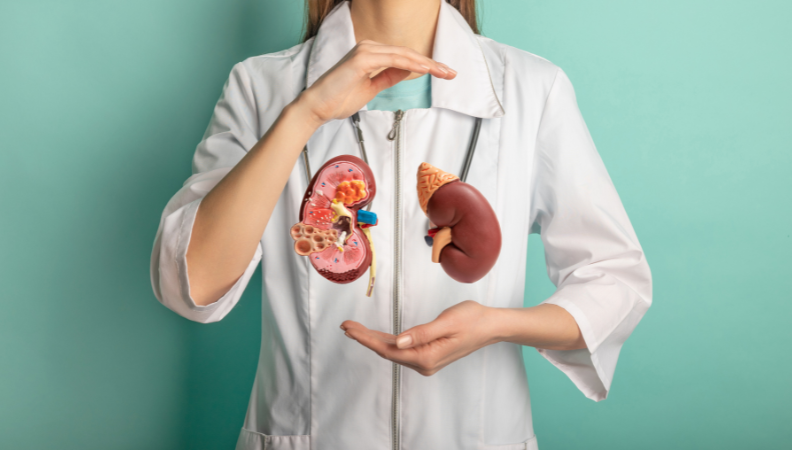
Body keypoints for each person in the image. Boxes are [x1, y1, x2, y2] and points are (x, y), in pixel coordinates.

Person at [150, 0, 653, 449]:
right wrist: (305, 113)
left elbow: (616, 280)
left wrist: (497, 325)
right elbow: (190, 285)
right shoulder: (262, 87)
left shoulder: (531, 89)